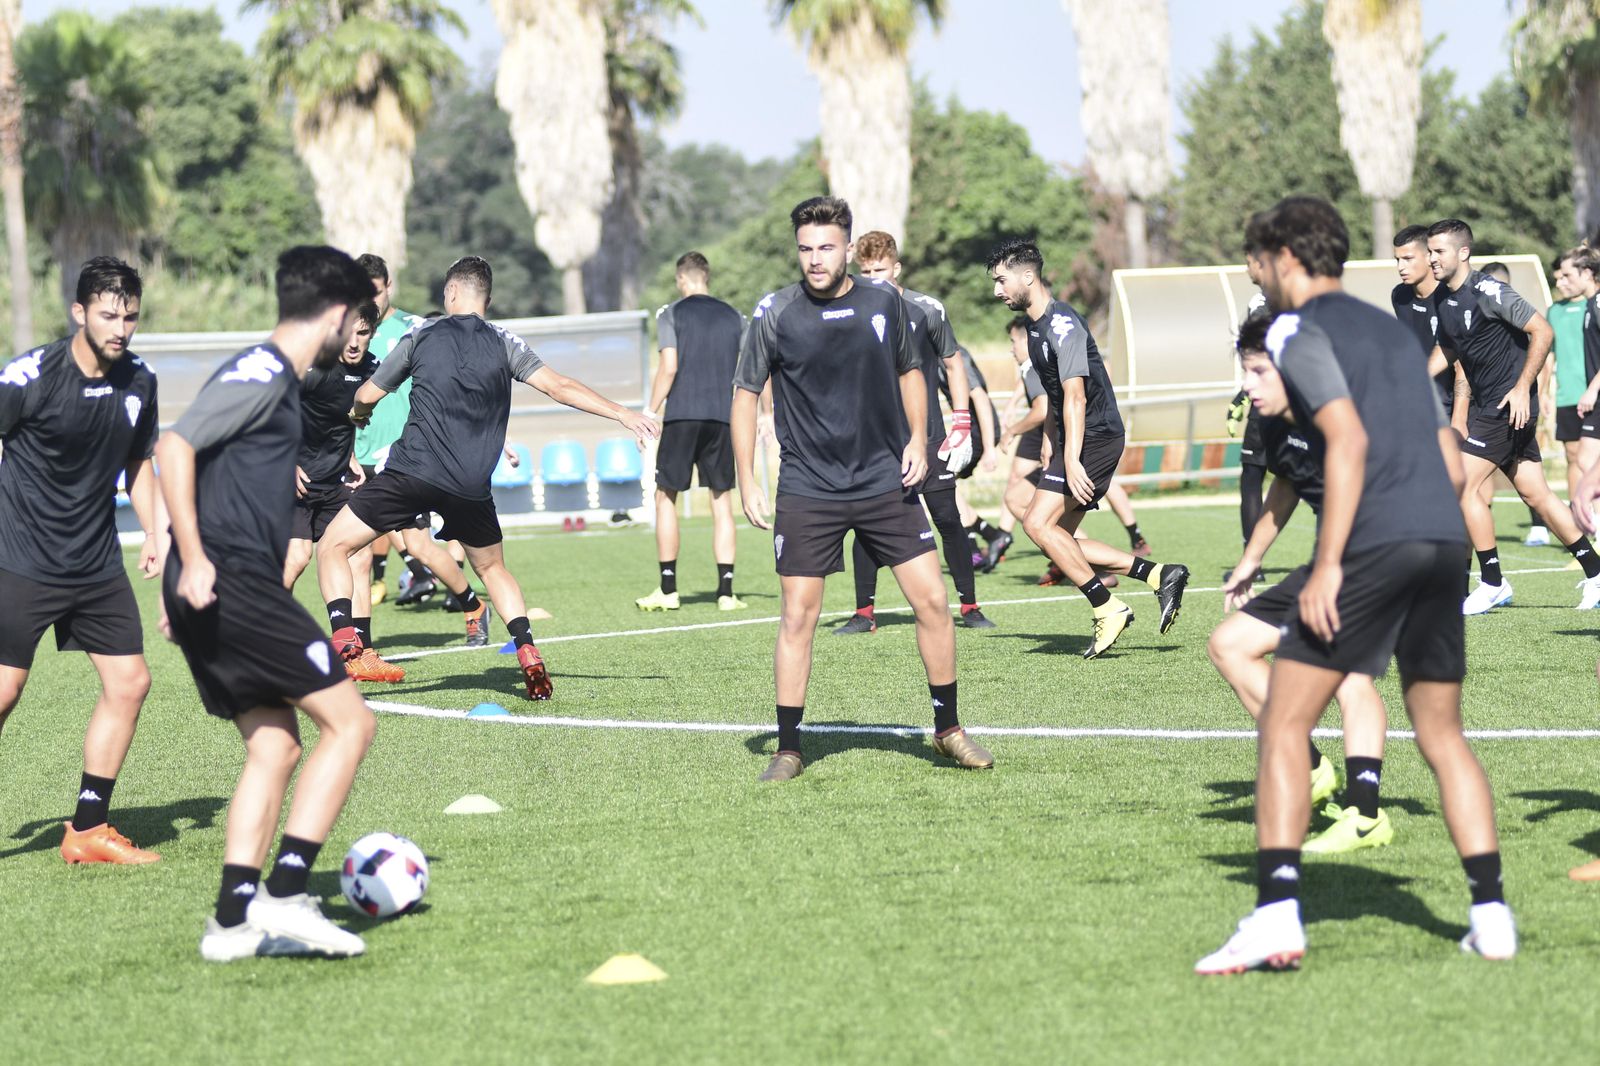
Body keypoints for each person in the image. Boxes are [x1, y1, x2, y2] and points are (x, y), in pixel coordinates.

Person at [1196, 197, 1513, 974]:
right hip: (1440, 539)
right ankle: (1492, 915)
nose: (1252, 273)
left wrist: (1331, 562)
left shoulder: (1296, 330)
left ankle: (1275, 915)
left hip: (1372, 543)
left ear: (1286, 257)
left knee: (1282, 725)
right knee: (1443, 735)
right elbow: (1442, 445)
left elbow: (1344, 438)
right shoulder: (1392, 326)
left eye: (1256, 259)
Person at [158, 245, 379, 961]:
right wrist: (191, 563)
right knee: (350, 725)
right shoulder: (262, 371)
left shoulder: (277, 379)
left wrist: (184, 585)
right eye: (354, 321)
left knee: (276, 745)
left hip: (221, 581)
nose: (354, 337)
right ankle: (285, 896)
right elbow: (175, 446)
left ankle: (232, 922)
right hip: (232, 578)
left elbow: (216, 464)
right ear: (337, 312)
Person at [732, 196, 993, 783]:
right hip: (807, 487)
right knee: (798, 616)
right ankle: (790, 746)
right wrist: (747, 478)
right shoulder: (773, 312)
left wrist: (920, 442)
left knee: (932, 601)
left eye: (826, 247)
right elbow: (746, 394)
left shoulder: (883, 303)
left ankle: (949, 729)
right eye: (805, 249)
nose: (815, 259)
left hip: (884, 478)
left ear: (848, 248)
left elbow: (910, 372)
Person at [316, 256, 658, 701]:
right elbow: (559, 386)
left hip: (411, 473)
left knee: (333, 547)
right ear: (488, 301)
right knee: (493, 569)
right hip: (470, 485)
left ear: (451, 294)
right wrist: (622, 413)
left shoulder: (419, 335)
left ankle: (347, 644)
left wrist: (359, 414)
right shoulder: (504, 342)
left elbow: (366, 393)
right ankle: (529, 654)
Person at [1209, 309, 1393, 855]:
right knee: (1230, 645)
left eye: (1259, 371)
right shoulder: (1270, 420)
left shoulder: (1338, 415)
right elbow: (1287, 487)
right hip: (1334, 559)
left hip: (1383, 554)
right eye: (1245, 370)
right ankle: (1308, 765)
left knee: (1349, 680)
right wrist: (1249, 560)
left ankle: (1364, 814)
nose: (1248, 385)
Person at [0, 257, 162, 865]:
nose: (120, 327)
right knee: (4, 691)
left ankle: (88, 828)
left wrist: (156, 530)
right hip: (20, 558)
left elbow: (138, 464)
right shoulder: (30, 376)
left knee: (130, 682)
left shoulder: (139, 382)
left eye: (130, 317)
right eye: (108, 315)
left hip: (94, 564)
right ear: (79, 313)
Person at [988, 238, 1190, 658]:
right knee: (1058, 534)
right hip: (1075, 438)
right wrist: (1049, 441)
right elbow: (1053, 397)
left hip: (1095, 437)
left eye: (1001, 280)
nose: (997, 290)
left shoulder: (1063, 326)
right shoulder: (1034, 326)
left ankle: (1107, 607)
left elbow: (1075, 396)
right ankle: (1158, 575)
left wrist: (1073, 458)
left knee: (1037, 525)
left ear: (1028, 276)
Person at [1425, 219, 1600, 614]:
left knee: (1461, 486)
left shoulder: (1489, 291)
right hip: (1493, 406)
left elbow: (1542, 331)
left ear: (1463, 252)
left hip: (1508, 405)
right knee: (1536, 493)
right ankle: (1596, 571)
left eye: (1439, 251)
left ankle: (1492, 581)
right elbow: (1451, 350)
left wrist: (1523, 388)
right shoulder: (1442, 298)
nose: (1431, 258)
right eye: (1430, 251)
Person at [833, 230, 994, 634]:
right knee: (866, 524)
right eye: (866, 271)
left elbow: (954, 364)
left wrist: (961, 423)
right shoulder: (850, 312)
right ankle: (864, 614)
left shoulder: (926, 309)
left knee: (948, 519)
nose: (873, 278)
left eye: (881, 270)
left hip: (929, 436)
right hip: (876, 442)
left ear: (897, 267)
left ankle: (970, 607)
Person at [281, 301, 405, 684]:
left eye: (363, 332)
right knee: (297, 557)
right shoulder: (314, 366)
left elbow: (344, 418)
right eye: (348, 332)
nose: (355, 342)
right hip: (293, 480)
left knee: (360, 555)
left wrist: (349, 453)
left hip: (335, 481)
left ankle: (360, 652)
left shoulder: (372, 369)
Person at [636, 251, 748, 613]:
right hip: (722, 417)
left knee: (665, 496)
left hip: (683, 415)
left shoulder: (671, 313)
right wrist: (761, 415)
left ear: (682, 279)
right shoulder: (735, 317)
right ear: (707, 277)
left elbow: (669, 367)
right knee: (721, 501)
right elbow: (750, 372)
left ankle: (668, 589)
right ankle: (726, 593)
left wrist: (650, 411)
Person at [1548, 248, 1591, 509]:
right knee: (1573, 456)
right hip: (1568, 396)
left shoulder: (1594, 305)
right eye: (1558, 277)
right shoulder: (1554, 311)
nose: (1560, 282)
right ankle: (1579, 519)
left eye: (1565, 276)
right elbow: (1549, 356)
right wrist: (1543, 393)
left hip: (1593, 395)